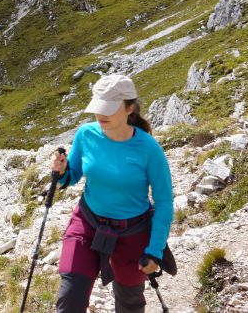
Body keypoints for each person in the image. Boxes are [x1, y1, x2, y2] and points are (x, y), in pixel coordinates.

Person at [51, 74, 174, 313]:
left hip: (132, 232)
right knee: (69, 298)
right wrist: (62, 170)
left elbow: (164, 201)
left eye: (109, 108)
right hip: (87, 221)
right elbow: (73, 175)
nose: (100, 114)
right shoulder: (86, 134)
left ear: (129, 108)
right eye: (98, 107)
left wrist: (155, 251)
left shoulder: (149, 149)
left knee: (129, 303)